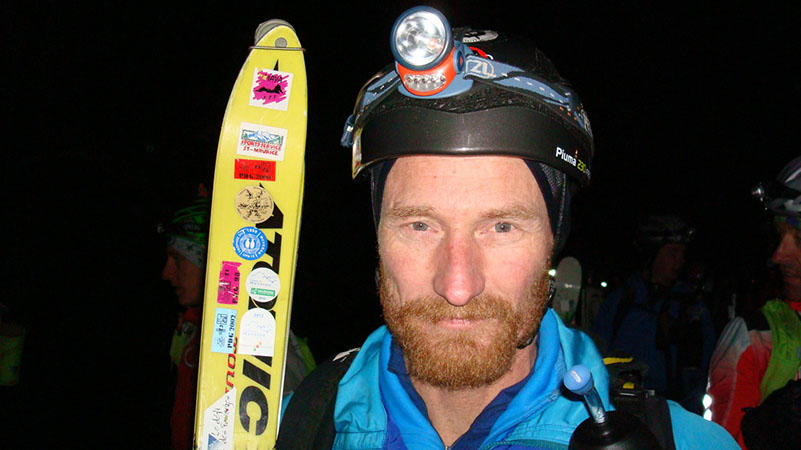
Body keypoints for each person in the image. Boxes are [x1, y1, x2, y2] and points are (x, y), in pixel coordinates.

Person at [278, 6, 736, 448]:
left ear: (554, 238)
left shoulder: (681, 442)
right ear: (377, 234)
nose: (458, 287)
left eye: (501, 227)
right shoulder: (292, 427)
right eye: (419, 225)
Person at [161, 186, 314, 449]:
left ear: (206, 258)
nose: (166, 272)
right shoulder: (191, 330)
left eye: (178, 259)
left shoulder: (258, 335)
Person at [705, 156, 801, 448]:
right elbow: (720, 444)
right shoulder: (753, 336)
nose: (778, 256)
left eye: (799, 239)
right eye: (780, 236)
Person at [592, 214, 717, 413]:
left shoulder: (692, 307)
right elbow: (598, 355)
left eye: (683, 254)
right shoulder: (622, 302)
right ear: (651, 254)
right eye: (673, 253)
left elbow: (706, 370)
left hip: (676, 413)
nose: (680, 261)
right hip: (625, 410)